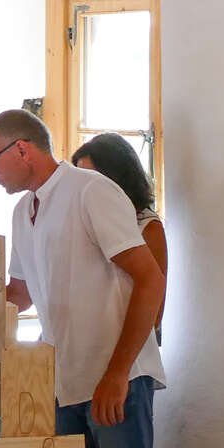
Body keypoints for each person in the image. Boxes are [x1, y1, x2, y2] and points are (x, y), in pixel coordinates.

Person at [0, 108, 167, 448]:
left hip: (115, 379)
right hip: (63, 382)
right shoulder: (22, 211)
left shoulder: (90, 191)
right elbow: (19, 294)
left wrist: (117, 374)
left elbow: (150, 280)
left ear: (22, 149)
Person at [71, 132, 167, 338]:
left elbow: (155, 313)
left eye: (94, 179)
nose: (86, 188)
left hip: (122, 345)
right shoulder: (80, 221)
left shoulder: (147, 226)